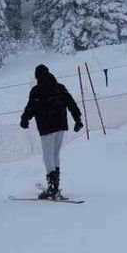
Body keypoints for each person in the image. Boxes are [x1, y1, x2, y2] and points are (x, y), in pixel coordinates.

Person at [19, 64, 84, 200]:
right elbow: (71, 103)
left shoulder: (36, 90)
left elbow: (30, 107)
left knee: (48, 157)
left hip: (47, 127)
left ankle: (53, 188)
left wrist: (24, 120)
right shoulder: (59, 87)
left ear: (37, 76)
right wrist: (77, 119)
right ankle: (55, 185)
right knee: (55, 154)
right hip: (60, 125)